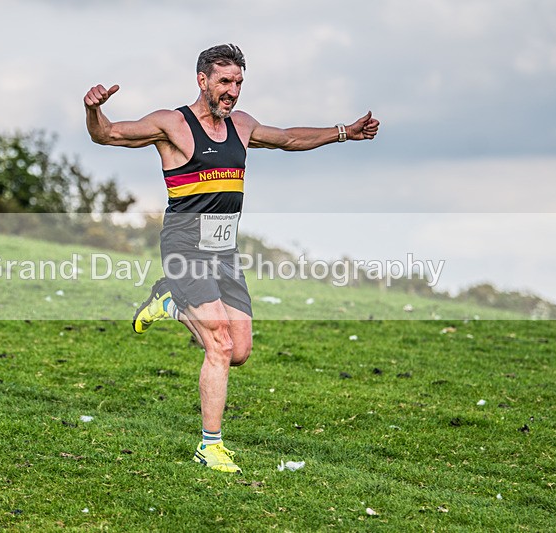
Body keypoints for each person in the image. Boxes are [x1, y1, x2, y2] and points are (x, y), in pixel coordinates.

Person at [84, 43, 379, 474]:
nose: (232, 91)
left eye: (238, 82)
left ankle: (169, 301)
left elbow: (288, 139)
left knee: (239, 350)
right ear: (202, 80)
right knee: (219, 342)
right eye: (224, 81)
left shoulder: (241, 126)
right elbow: (106, 134)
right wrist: (93, 110)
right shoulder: (172, 125)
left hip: (224, 252)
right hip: (185, 247)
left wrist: (343, 132)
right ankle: (210, 445)